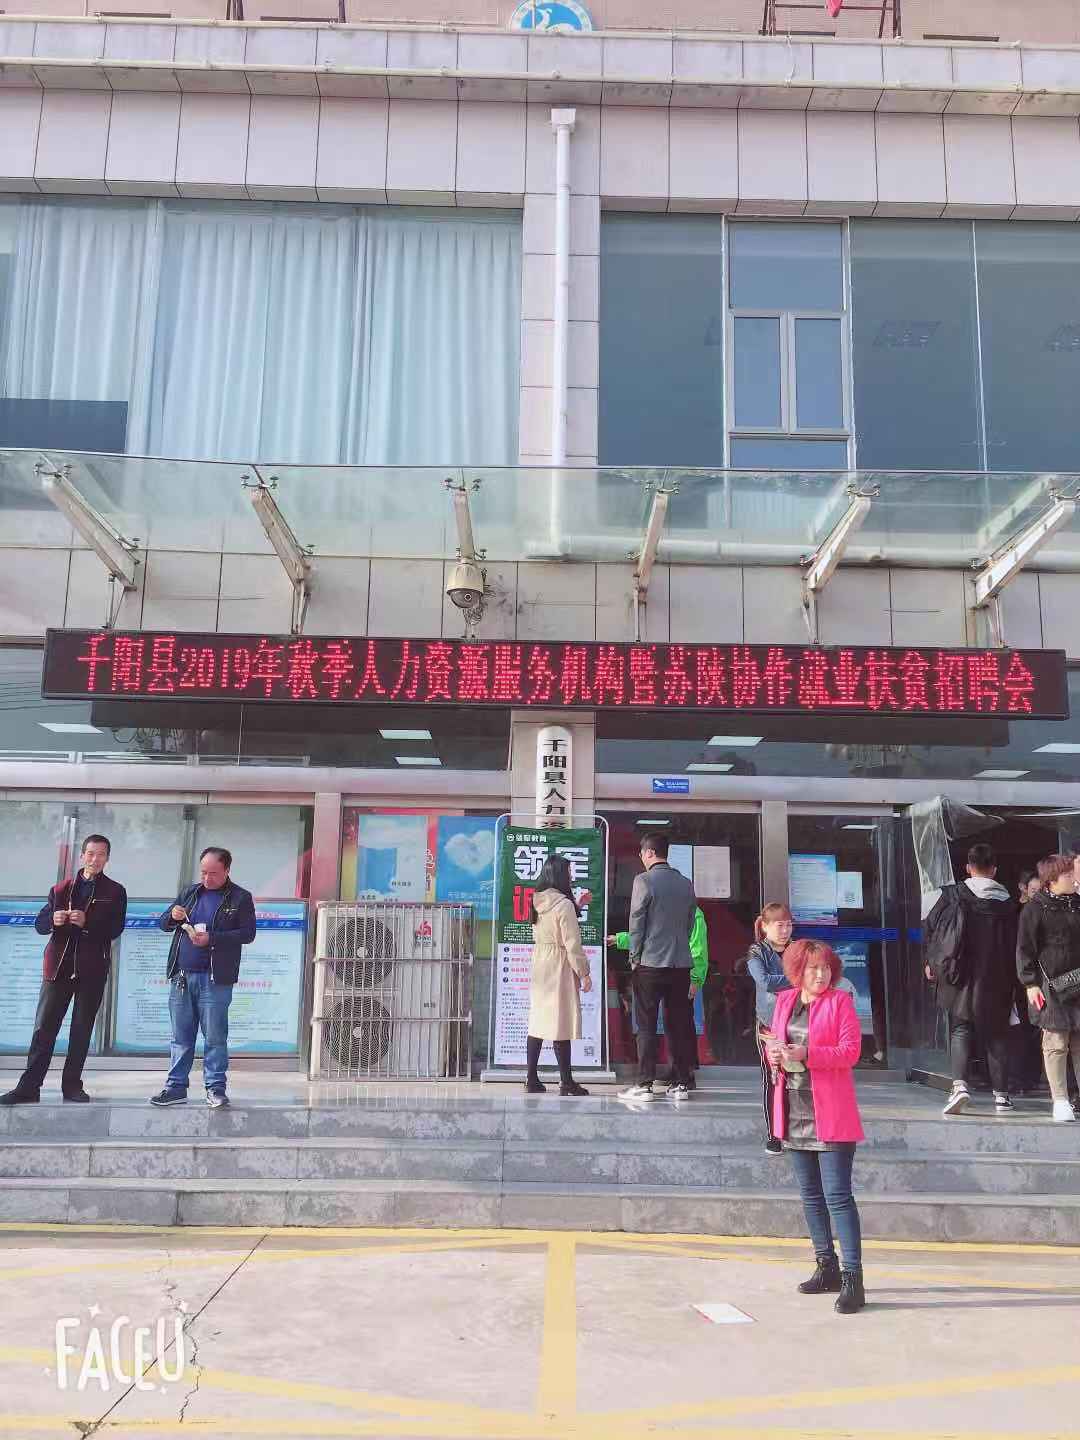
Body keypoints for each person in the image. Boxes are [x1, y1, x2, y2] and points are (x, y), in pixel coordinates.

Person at [766, 939, 866, 1315]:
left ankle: (853, 1277)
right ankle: (827, 1267)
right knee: (810, 1195)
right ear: (798, 971)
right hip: (794, 1109)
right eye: (812, 969)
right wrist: (774, 1054)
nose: (820, 975)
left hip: (831, 1113)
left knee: (838, 1197)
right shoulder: (785, 1001)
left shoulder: (840, 1002)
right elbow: (775, 1044)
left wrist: (807, 1054)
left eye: (825, 968)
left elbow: (850, 1052)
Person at [1, 835, 127, 1106]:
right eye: (90, 853)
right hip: (58, 967)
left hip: (92, 969)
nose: (95, 859)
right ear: (82, 856)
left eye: (101, 854)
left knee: (81, 1030)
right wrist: (53, 919)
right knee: (44, 1029)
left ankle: (71, 1086)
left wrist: (87, 923)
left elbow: (116, 929)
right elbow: (40, 925)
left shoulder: (115, 891)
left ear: (107, 858)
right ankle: (28, 1087)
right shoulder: (61, 888)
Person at [150, 847, 256, 1109]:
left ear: (227, 870)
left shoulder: (240, 897)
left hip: (215, 978)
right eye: (203, 872)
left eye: (213, 873)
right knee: (180, 1037)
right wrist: (172, 917)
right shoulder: (190, 893)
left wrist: (212, 938)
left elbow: (248, 934)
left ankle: (215, 1088)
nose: (207, 878)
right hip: (182, 977)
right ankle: (175, 1088)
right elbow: (163, 924)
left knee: (215, 1037)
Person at [923, 843, 1019, 1117]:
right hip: (998, 976)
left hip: (960, 974)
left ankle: (960, 1086)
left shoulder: (952, 896)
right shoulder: (1008, 904)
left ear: (968, 868)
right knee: (996, 1033)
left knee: (960, 1028)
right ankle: (1002, 1096)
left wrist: (931, 962)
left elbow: (931, 929)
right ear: (994, 870)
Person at [618, 833, 697, 1103]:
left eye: (642, 853)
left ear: (650, 853)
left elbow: (636, 921)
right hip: (681, 964)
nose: (641, 858)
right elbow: (690, 922)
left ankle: (644, 1084)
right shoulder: (686, 883)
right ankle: (681, 1083)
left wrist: (634, 956)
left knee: (646, 1024)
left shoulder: (644, 880)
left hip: (650, 963)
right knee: (678, 1024)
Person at [608, 903, 708, 1090]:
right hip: (672, 972)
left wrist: (695, 978)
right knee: (674, 1024)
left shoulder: (693, 913)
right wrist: (621, 939)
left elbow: (698, 948)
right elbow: (652, 938)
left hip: (684, 973)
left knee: (681, 1026)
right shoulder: (669, 909)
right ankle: (677, 1072)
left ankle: (685, 1075)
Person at [1016, 853, 1080, 1123]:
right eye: (1067, 874)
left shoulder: (1077, 903)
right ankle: (1060, 1100)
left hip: (1078, 982)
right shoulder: (1035, 908)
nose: (1073, 879)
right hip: (1052, 986)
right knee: (1055, 1042)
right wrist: (1030, 983)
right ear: (1052, 879)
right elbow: (1025, 949)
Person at [525, 855, 592, 1097]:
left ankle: (531, 1078)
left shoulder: (537, 900)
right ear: (560, 875)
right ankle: (566, 1082)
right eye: (569, 873)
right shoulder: (564, 905)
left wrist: (578, 905)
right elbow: (572, 944)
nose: (571, 877)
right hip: (560, 964)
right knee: (561, 1020)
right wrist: (584, 973)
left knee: (538, 1020)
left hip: (540, 963)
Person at [743, 901, 793, 1156]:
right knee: (773, 1078)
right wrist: (797, 978)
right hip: (769, 1024)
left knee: (798, 1078)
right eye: (779, 925)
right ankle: (774, 1134)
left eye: (788, 925)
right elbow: (763, 981)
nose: (785, 931)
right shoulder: (757, 951)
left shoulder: (798, 948)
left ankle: (797, 1131)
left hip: (798, 1022)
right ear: (765, 926)